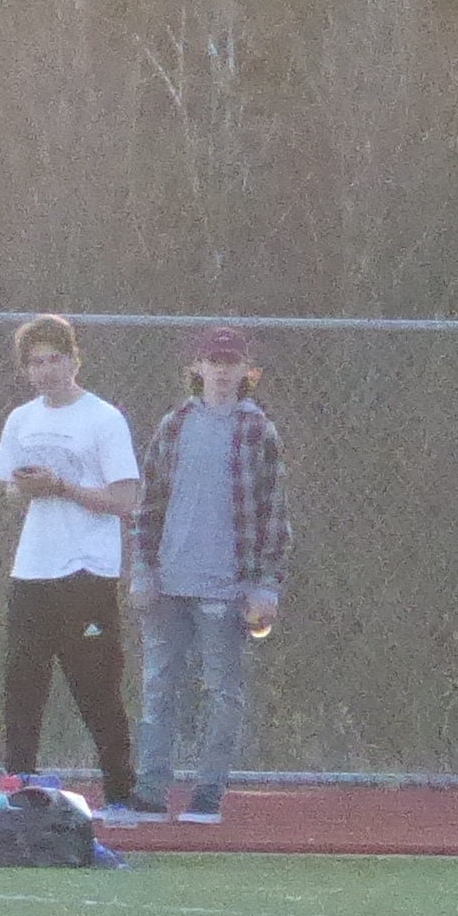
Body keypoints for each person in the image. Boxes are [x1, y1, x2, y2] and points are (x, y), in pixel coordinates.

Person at [131, 324, 289, 824]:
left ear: (246, 372)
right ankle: (151, 791)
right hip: (169, 583)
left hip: (227, 586)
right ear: (197, 368)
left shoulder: (258, 430)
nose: (222, 371)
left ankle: (208, 793)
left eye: (231, 362)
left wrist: (266, 585)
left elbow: (273, 512)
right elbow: (148, 503)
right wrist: (142, 568)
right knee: (160, 688)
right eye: (214, 362)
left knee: (222, 691)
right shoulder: (174, 425)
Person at [0, 314, 146, 817]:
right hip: (31, 570)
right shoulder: (20, 420)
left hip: (86, 571)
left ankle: (120, 794)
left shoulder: (103, 419)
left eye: (55, 359)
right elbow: (10, 492)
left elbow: (125, 499)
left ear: (75, 360)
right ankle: (18, 794)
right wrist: (29, 487)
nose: (46, 371)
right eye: (36, 363)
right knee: (22, 687)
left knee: (96, 686)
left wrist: (63, 487)